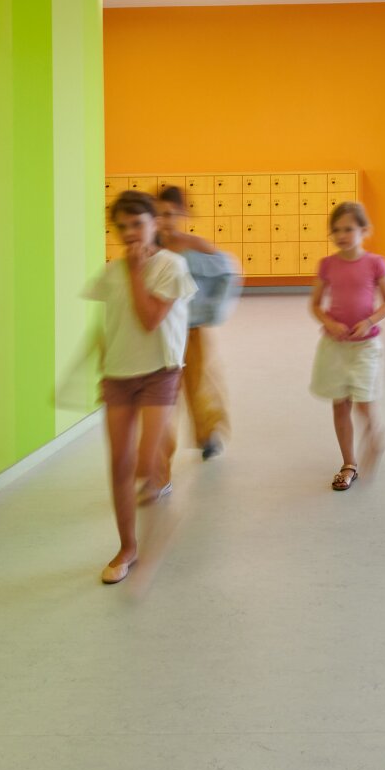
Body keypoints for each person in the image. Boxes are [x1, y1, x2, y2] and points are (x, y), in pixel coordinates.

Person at [82, 190, 196, 584]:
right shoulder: (110, 272)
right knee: (120, 465)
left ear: (154, 225)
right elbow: (108, 326)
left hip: (158, 373)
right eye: (123, 226)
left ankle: (161, 527)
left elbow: (149, 319)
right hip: (118, 376)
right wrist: (100, 368)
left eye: (138, 224)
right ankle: (126, 547)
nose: (130, 233)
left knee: (148, 465)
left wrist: (135, 273)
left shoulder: (171, 266)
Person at [309, 200, 385, 491]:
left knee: (363, 402)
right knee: (340, 403)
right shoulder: (327, 265)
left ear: (364, 230)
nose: (342, 235)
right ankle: (349, 463)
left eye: (348, 228)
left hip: (365, 346)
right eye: (336, 230)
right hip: (335, 346)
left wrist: (370, 321)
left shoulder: (375, 263)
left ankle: (374, 431)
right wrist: (328, 322)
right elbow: (315, 305)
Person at [155, 185, 238, 462]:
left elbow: (227, 273)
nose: (164, 220)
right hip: (159, 329)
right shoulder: (151, 246)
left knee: (200, 379)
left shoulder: (193, 245)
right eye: (159, 214)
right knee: (162, 387)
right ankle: (159, 441)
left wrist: (211, 311)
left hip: (191, 328)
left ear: (181, 213)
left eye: (170, 213)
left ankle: (209, 434)